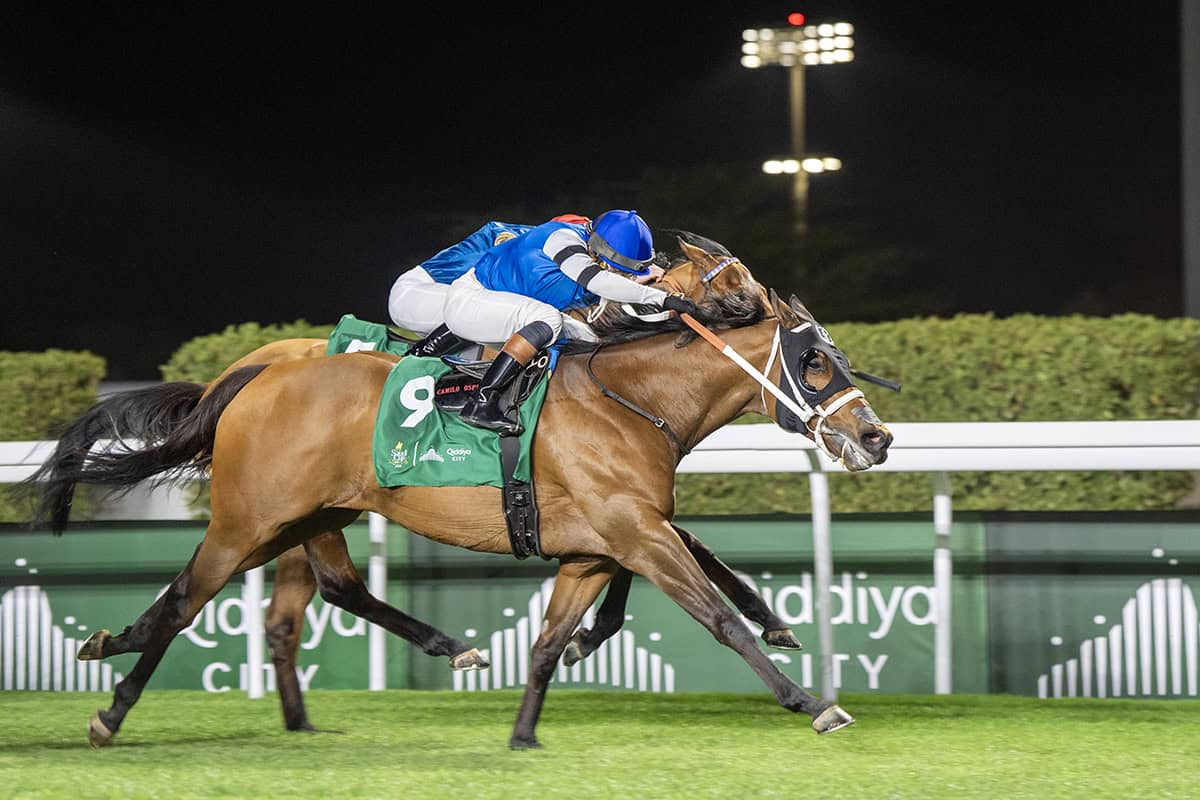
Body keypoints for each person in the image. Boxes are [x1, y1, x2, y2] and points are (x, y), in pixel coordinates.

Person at [441, 209, 699, 435]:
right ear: (600, 250)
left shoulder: (593, 251)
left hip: (501, 309)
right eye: (620, 269)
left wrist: (671, 316)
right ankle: (482, 401)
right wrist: (663, 298)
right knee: (548, 319)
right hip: (470, 302)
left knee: (592, 342)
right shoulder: (562, 239)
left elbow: (627, 305)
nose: (623, 276)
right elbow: (596, 281)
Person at [389, 215, 597, 357]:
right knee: (498, 309)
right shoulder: (521, 243)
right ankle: (415, 359)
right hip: (415, 293)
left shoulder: (539, 242)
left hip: (445, 296)